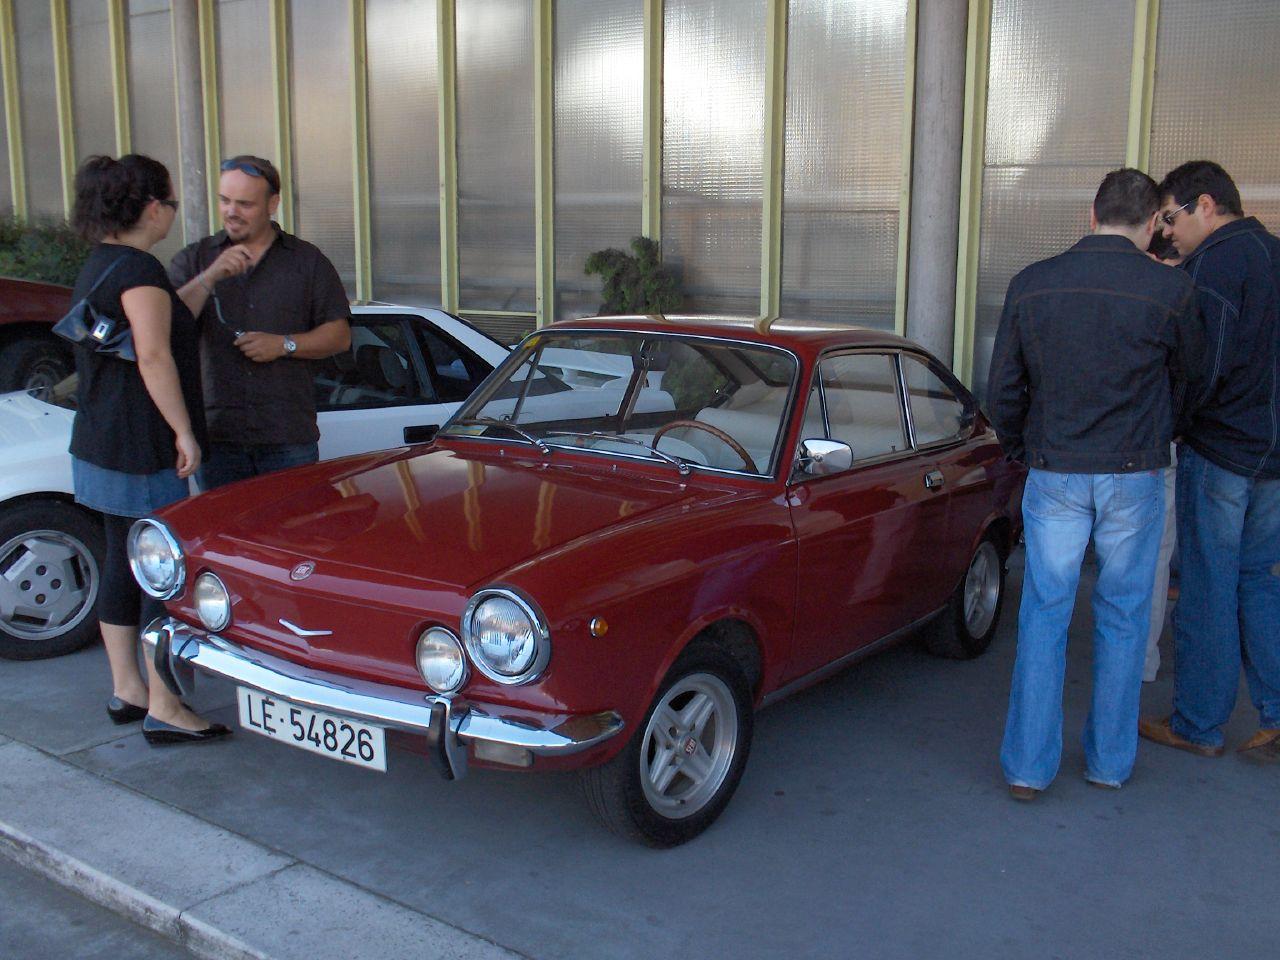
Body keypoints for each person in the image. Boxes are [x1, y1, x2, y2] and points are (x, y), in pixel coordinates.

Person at [988, 168, 1202, 799]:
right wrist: (1163, 434)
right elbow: (1191, 385)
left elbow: (1004, 388)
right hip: (1135, 471)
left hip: (1055, 468)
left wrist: (1023, 448)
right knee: (1124, 614)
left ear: (1092, 214)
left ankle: (1028, 769)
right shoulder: (1173, 290)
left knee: (1044, 613)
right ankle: (1108, 762)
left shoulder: (1032, 283)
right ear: (1153, 223)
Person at [67, 154, 230, 745]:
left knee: (122, 558)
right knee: (162, 573)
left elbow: (165, 317)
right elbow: (154, 354)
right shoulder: (140, 269)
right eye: (172, 204)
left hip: (97, 440)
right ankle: (166, 704)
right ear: (154, 208)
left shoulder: (104, 264)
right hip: (141, 447)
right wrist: (184, 431)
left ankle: (128, 690)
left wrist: (207, 278)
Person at [1139, 160, 1280, 763]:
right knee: (1261, 581)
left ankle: (1198, 723)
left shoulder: (1217, 266)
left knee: (1206, 587)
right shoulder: (1273, 254)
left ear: (1205, 204)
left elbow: (1204, 365)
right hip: (1272, 458)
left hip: (1221, 451)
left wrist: (1173, 424)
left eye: (1170, 218)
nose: (1167, 233)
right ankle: (1276, 717)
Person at [168, 155, 351, 489]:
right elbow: (166, 325)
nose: (231, 211)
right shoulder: (196, 258)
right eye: (225, 200)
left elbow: (339, 336)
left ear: (273, 204)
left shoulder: (306, 261)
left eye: (245, 204)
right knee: (223, 524)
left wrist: (284, 345)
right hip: (218, 436)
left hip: (286, 436)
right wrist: (210, 276)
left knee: (291, 522)